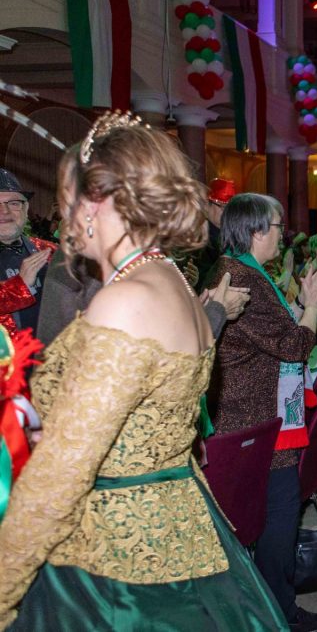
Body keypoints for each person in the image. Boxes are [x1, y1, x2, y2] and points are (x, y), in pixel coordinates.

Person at [0, 112, 287, 629]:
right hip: (177, 525)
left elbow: (61, 473)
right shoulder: (168, 277)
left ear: (97, 203)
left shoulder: (126, 299)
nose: (62, 219)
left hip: (113, 555)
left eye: (67, 202)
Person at [205, 193, 317, 632]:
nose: (284, 234)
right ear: (257, 229)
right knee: (277, 517)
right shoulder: (242, 278)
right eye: (279, 226)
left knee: (267, 515)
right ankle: (277, 614)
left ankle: (273, 609)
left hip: (256, 414)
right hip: (255, 419)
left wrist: (300, 305)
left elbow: (276, 333)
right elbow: (294, 346)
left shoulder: (243, 270)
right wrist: (313, 306)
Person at [0, 168, 57, 334]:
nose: (4, 211)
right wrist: (19, 286)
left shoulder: (49, 251)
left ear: (26, 209)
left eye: (14, 203)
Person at [196, 177, 236, 286]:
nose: (226, 212)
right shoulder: (201, 237)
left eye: (229, 208)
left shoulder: (231, 234)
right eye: (222, 207)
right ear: (207, 205)